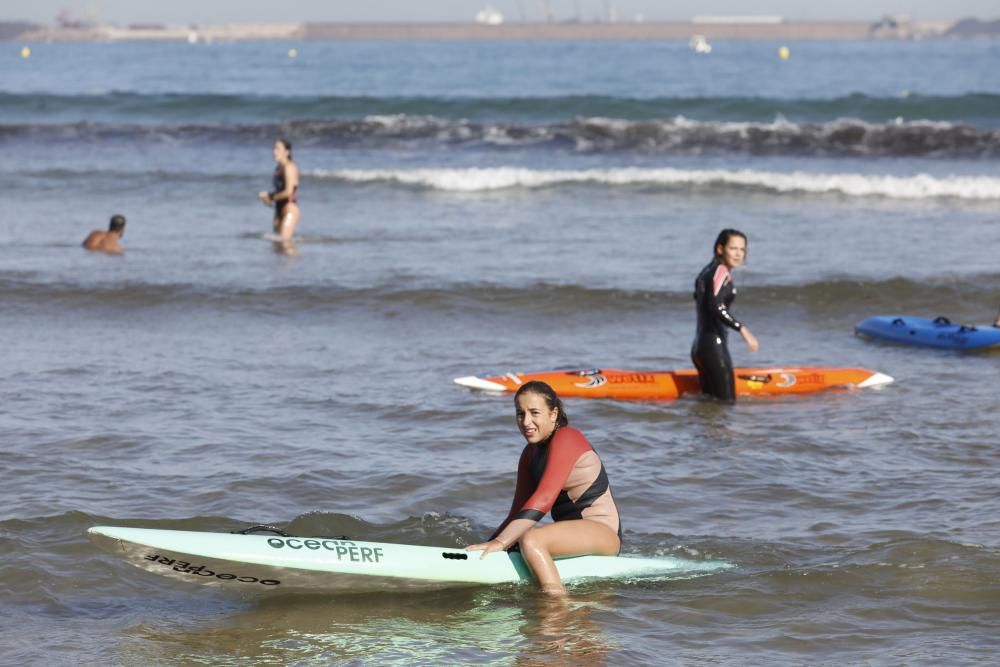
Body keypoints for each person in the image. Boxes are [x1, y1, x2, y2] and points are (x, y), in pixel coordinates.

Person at [465, 381, 622, 596]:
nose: (526, 422)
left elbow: (544, 497)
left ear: (553, 413)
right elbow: (517, 512)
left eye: (534, 413)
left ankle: (556, 605)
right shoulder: (529, 454)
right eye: (520, 414)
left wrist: (502, 542)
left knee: (531, 538)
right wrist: (490, 545)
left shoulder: (568, 438)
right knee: (521, 538)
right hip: (574, 535)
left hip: (604, 533)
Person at [691, 228, 759, 402]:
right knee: (727, 403)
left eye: (742, 249)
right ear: (720, 249)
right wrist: (742, 329)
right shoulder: (721, 271)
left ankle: (702, 429)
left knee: (709, 404)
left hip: (700, 346)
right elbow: (715, 306)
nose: (738, 254)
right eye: (733, 248)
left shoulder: (706, 272)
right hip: (714, 347)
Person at [257, 139, 300, 242]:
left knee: (285, 244)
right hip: (278, 209)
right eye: (274, 148)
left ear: (287, 152)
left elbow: (289, 192)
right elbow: (279, 191)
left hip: (289, 208)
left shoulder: (289, 167)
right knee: (276, 247)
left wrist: (270, 197)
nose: (274, 151)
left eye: (278, 149)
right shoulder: (278, 168)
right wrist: (267, 198)